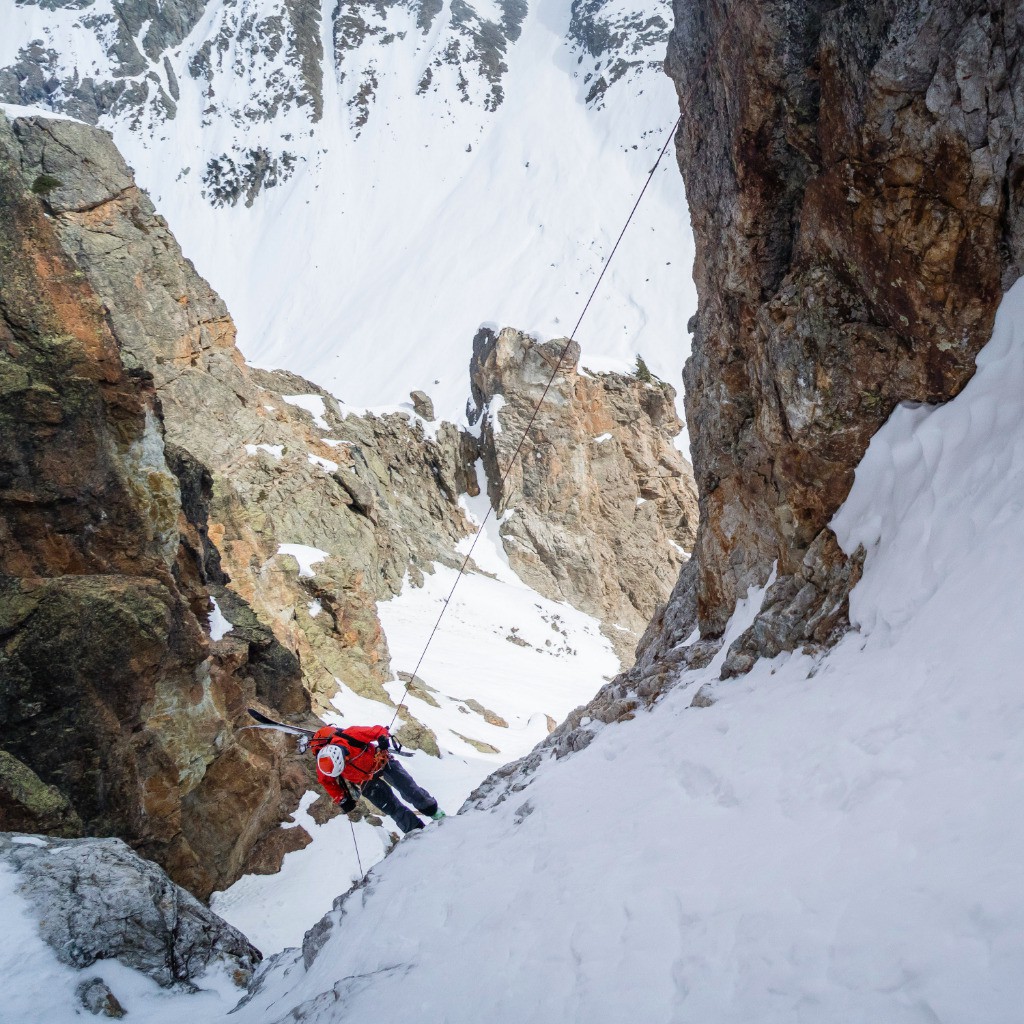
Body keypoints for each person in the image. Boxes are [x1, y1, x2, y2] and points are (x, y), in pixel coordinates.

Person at [312, 724, 444, 833]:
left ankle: (434, 812)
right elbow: (326, 781)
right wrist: (342, 799)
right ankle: (416, 831)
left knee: (409, 789)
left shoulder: (351, 735)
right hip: (364, 781)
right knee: (391, 807)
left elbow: (377, 730)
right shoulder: (324, 765)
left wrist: (382, 739)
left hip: (381, 761)